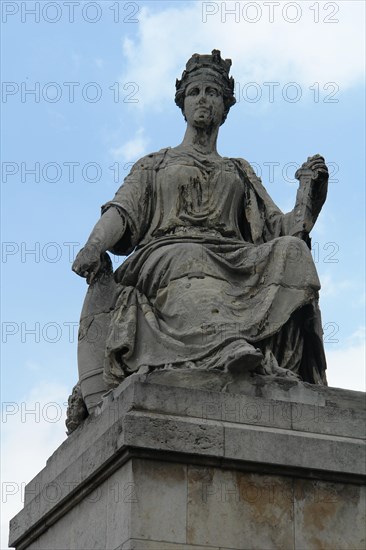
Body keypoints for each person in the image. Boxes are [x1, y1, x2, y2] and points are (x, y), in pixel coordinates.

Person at [72, 50, 329, 409]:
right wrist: (94, 245)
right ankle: (227, 346)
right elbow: (122, 211)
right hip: (167, 252)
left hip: (234, 255)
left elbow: (279, 229)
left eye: (212, 93)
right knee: (192, 257)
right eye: (195, 93)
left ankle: (257, 355)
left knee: (293, 253)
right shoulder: (156, 163)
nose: (203, 100)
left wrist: (309, 195)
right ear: (183, 104)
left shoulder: (238, 169)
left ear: (225, 107)